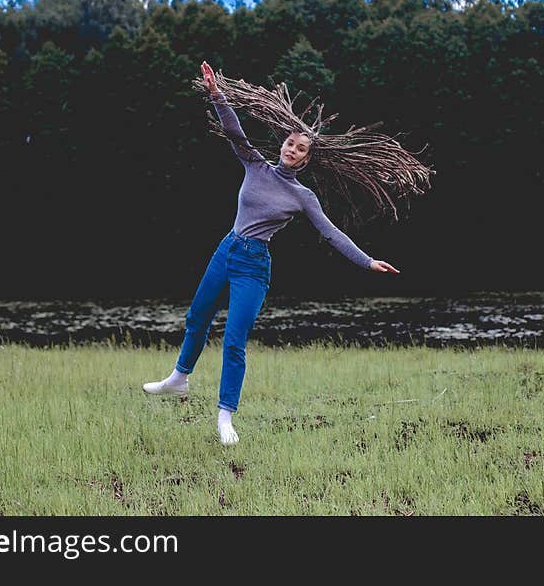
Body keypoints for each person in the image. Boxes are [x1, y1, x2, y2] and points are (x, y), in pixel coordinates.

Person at [143, 61, 432, 446]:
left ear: (307, 159)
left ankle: (225, 417)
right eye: (290, 144)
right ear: (283, 144)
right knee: (197, 317)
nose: (292, 151)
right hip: (226, 249)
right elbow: (234, 131)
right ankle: (179, 378)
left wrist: (366, 260)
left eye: (300, 149)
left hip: (253, 265)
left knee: (234, 340)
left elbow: (331, 233)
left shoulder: (302, 196)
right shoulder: (255, 165)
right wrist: (217, 94)